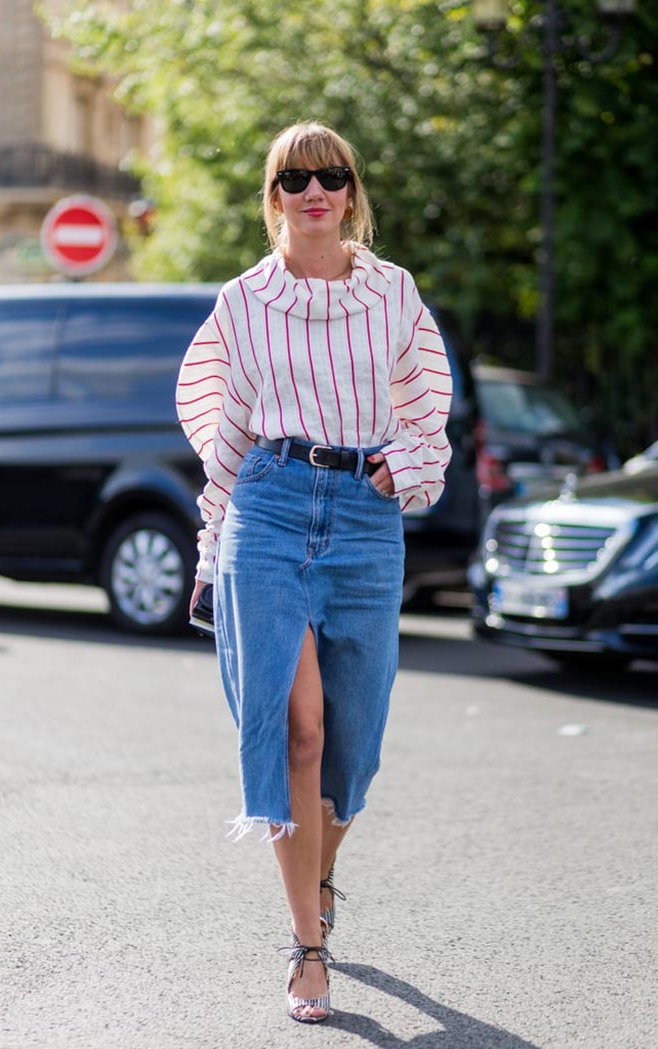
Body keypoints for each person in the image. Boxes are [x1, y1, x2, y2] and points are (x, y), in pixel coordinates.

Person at [176, 121, 452, 1023]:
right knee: (296, 728)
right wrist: (214, 531)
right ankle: (307, 944)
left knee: (352, 739)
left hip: (366, 518)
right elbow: (216, 408)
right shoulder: (243, 301)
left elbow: (427, 400)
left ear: (351, 190)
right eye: (295, 178)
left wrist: (409, 467)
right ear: (274, 196)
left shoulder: (393, 292)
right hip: (271, 501)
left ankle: (322, 877)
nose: (314, 191)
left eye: (330, 175)